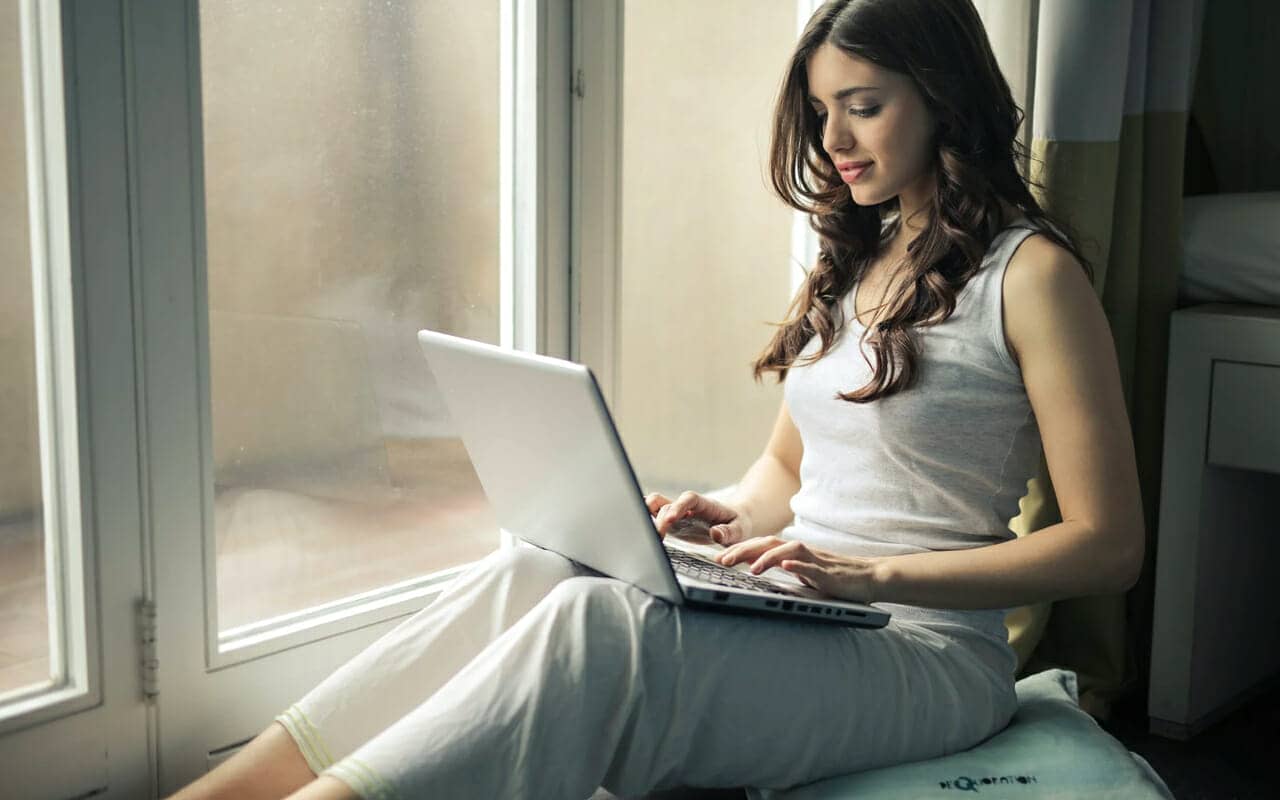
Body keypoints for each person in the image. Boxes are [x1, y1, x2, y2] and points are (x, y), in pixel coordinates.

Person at [171, 0, 1144, 798]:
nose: (832, 139)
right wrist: (720, 516)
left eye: (862, 105)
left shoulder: (1031, 275)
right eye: (819, 112)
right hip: (811, 600)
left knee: (598, 629)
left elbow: (1108, 544)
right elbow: (784, 472)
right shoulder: (857, 262)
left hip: (930, 654)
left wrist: (873, 573)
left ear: (940, 96)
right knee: (539, 567)